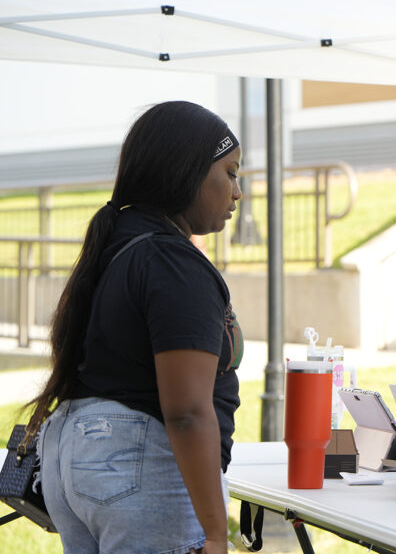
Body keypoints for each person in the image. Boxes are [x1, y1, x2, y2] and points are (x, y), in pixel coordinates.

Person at [30, 101, 243, 554]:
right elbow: (186, 410)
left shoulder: (119, 243)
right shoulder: (172, 262)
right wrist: (215, 534)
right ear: (190, 173)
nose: (237, 192)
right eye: (231, 172)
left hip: (78, 459)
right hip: (140, 462)